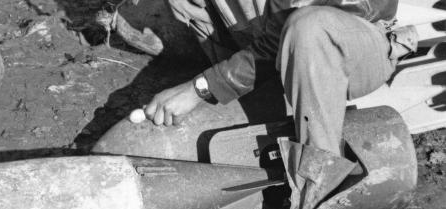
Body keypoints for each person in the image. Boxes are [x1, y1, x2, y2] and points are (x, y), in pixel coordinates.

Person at [143, 0, 416, 157]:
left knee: (308, 28)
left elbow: (285, 39)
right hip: (268, 57)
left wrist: (198, 89)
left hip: (351, 46)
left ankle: (320, 194)